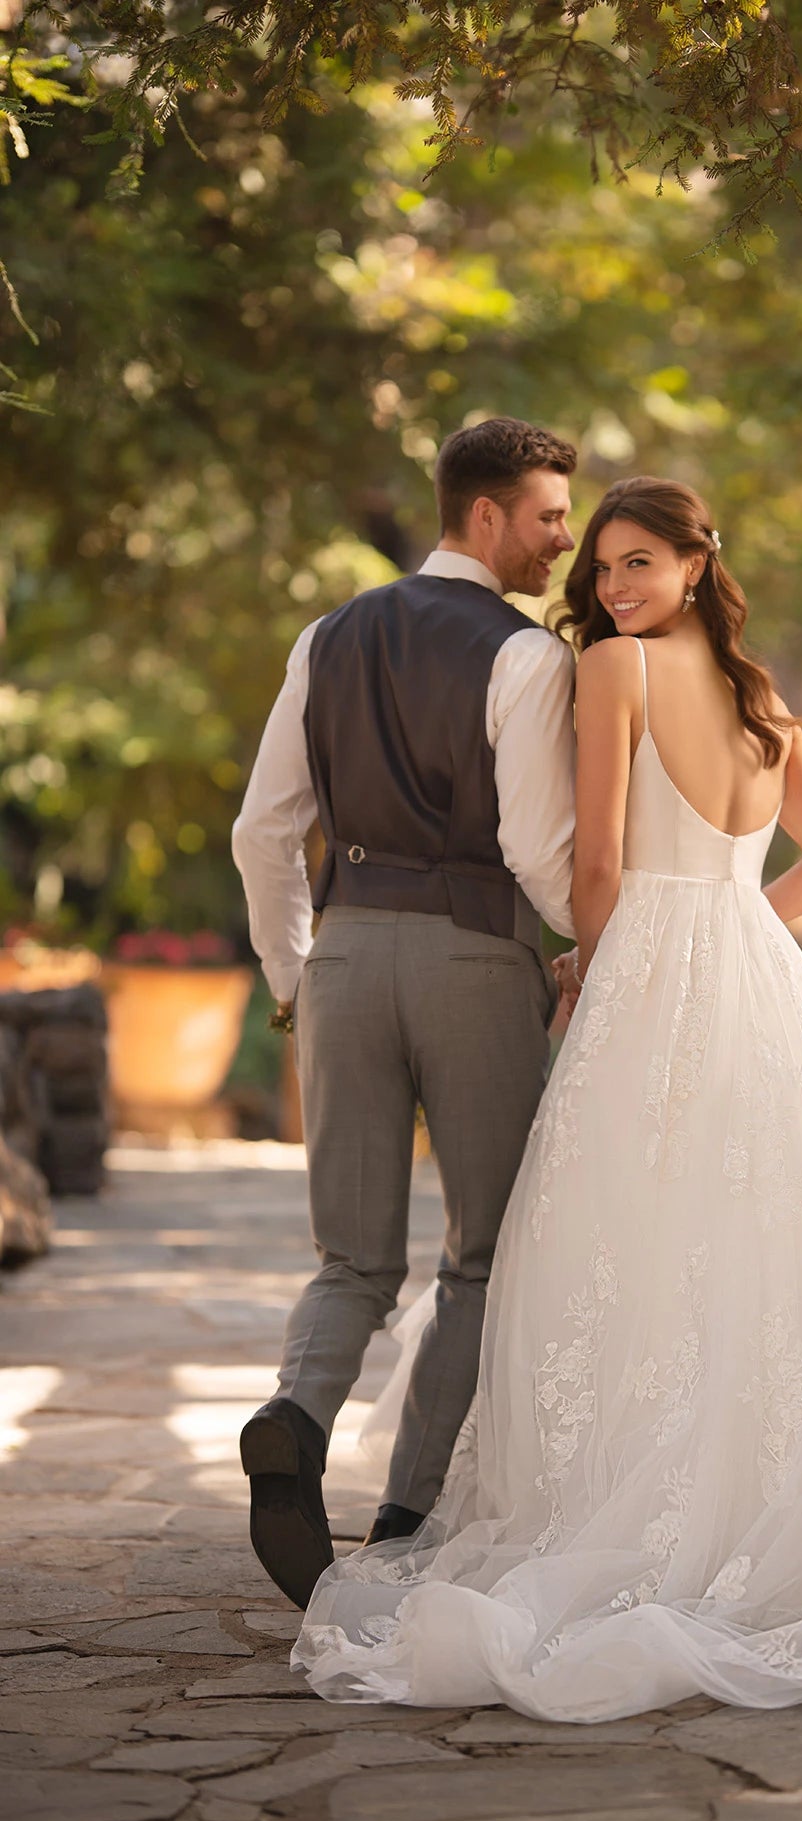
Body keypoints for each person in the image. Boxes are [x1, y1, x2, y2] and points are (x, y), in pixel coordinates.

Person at [292, 476, 802, 1722]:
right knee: (754, 1245)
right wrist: (736, 930)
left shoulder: (619, 673)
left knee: (625, 1242)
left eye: (638, 564)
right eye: (601, 569)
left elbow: (595, 858)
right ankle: (760, 1518)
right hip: (755, 979)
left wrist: (591, 967)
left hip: (650, 972)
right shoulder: (768, 709)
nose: (612, 590)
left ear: (699, 565)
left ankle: (650, 1516)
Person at [232, 417, 578, 1609]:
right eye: (546, 517)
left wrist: (290, 977)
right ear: (483, 517)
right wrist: (593, 946)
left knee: (353, 1255)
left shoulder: (326, 636)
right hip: (477, 958)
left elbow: (261, 830)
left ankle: (296, 1413)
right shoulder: (528, 657)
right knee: (484, 1250)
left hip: (340, 957)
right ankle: (409, 1514)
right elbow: (538, 850)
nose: (561, 541)